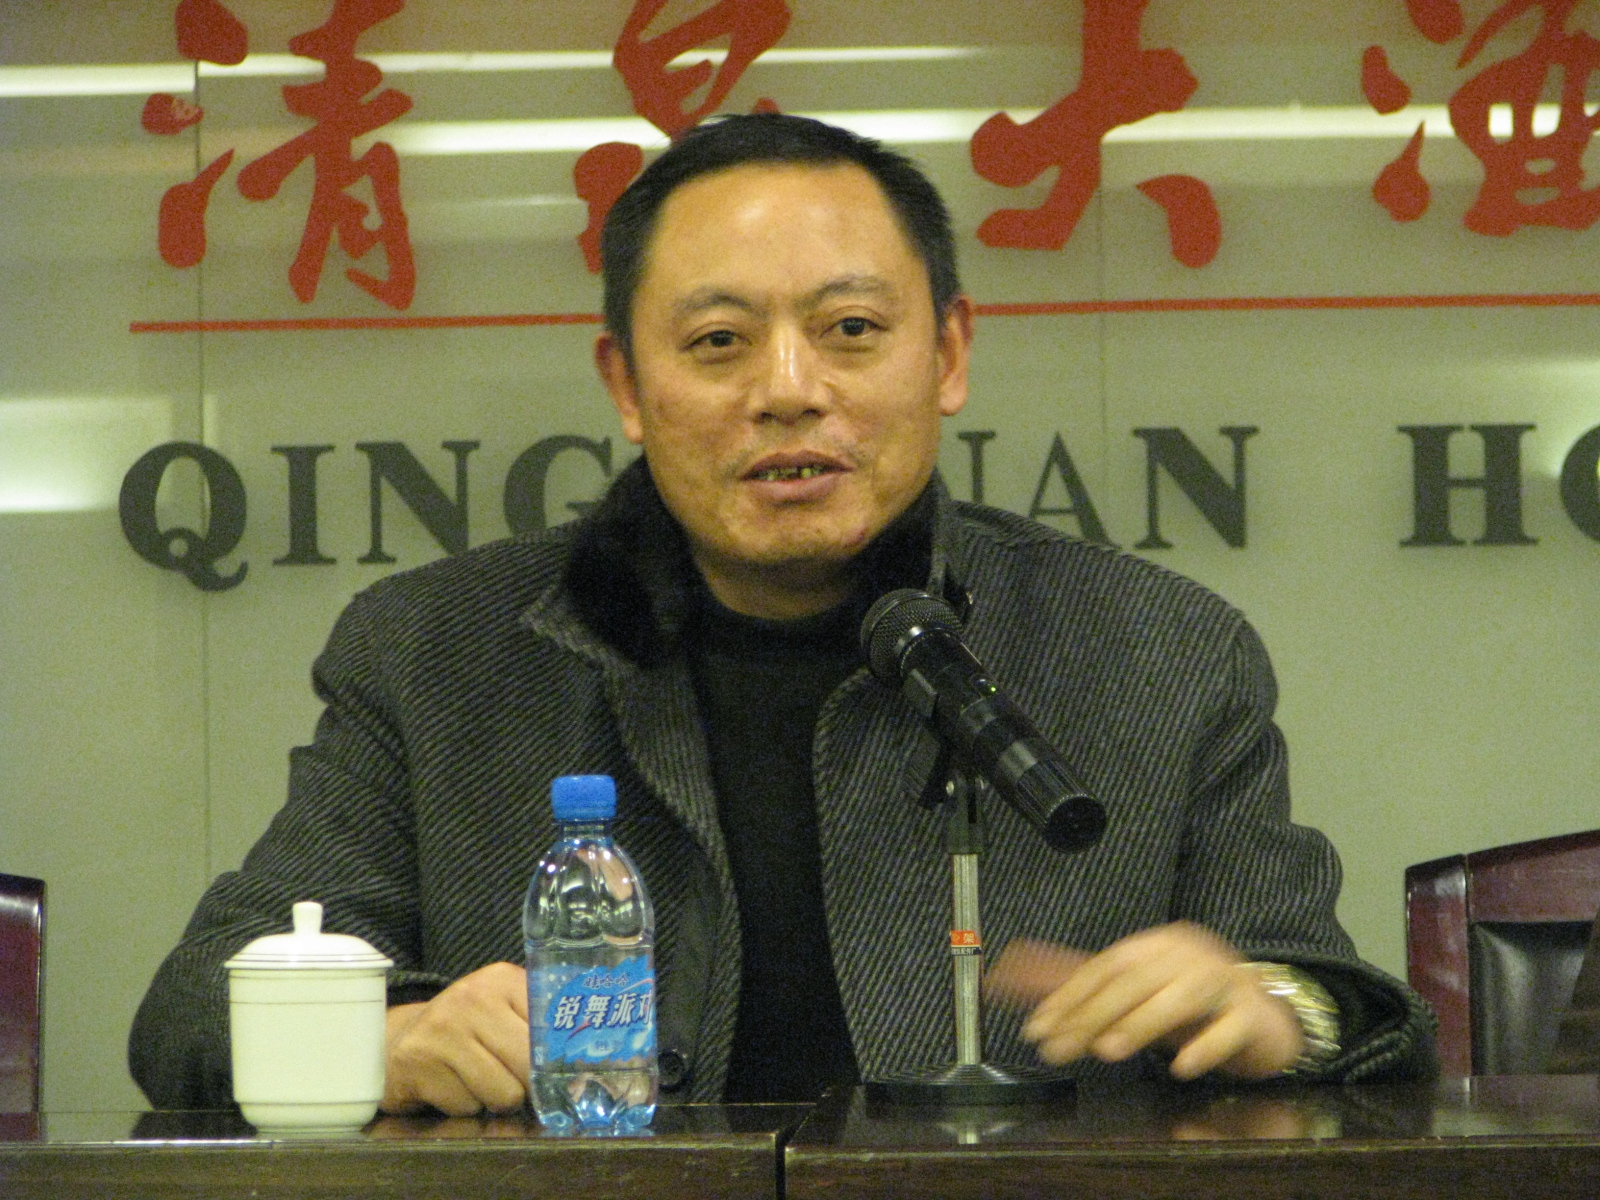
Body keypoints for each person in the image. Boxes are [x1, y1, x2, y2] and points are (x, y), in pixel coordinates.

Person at [130, 114, 1433, 1115]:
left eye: (851, 329)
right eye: (718, 343)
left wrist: (1272, 1013)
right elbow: (189, 1013)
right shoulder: (435, 654)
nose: (790, 389)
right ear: (625, 385)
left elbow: (1347, 1008)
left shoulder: (1160, 651)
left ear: (949, 354)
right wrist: (386, 1039)